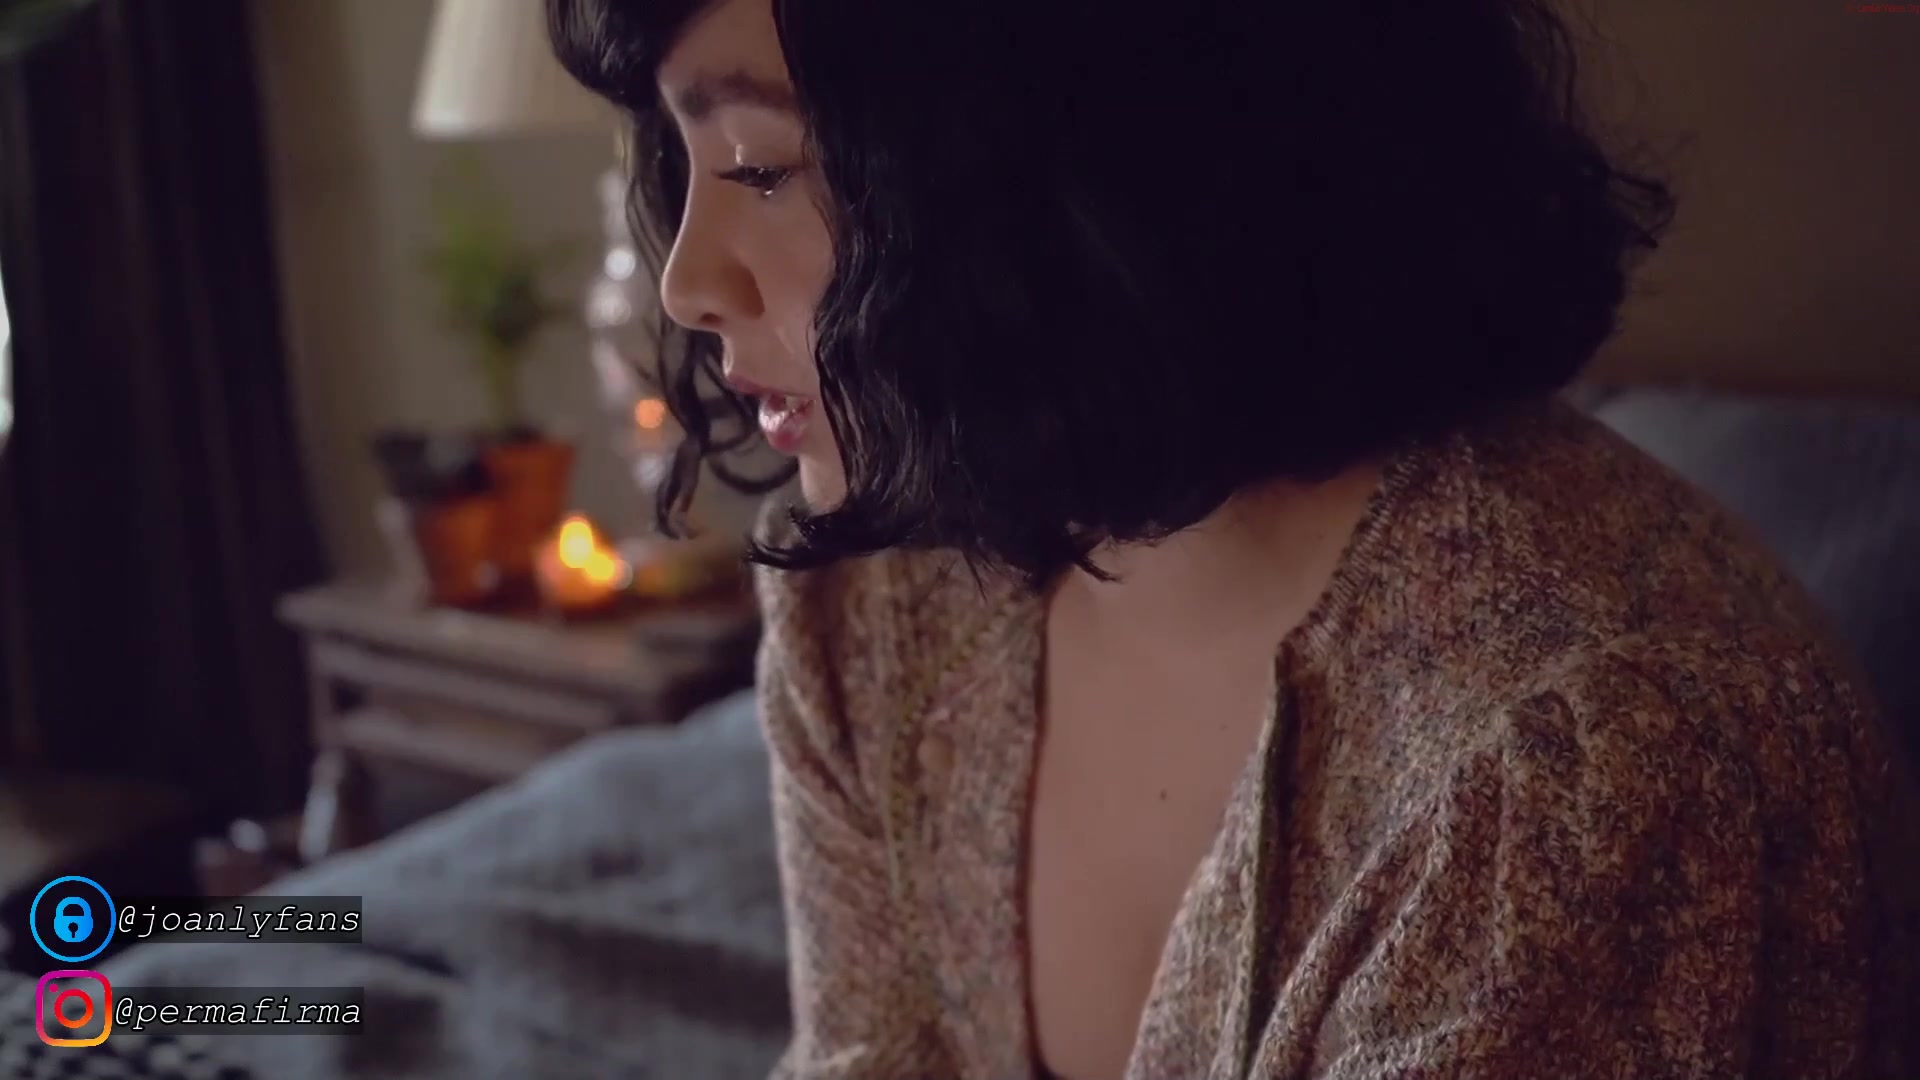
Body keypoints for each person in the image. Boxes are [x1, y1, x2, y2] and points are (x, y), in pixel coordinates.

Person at [546, 1, 1920, 1076]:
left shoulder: (1596, 753)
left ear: (1088, 152)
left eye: (763, 166)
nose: (689, 280)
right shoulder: (881, 594)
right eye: (686, 161)